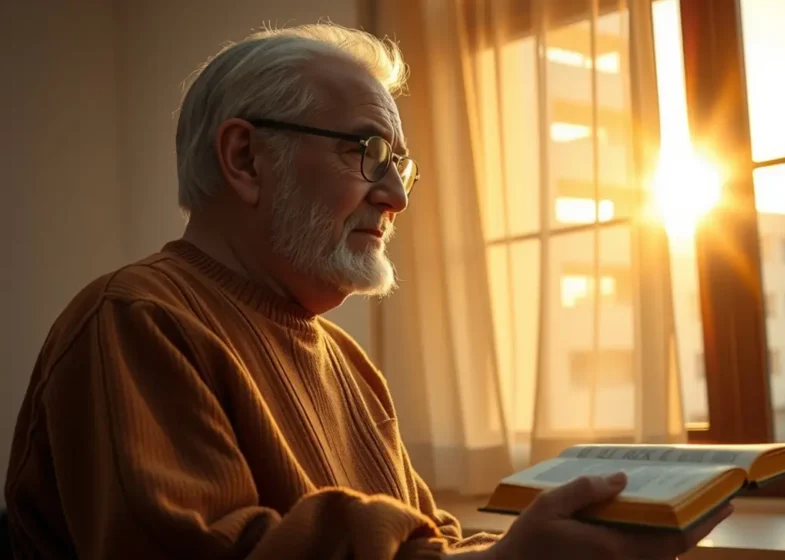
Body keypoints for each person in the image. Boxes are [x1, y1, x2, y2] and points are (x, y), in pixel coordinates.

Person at [3, 23, 730, 559]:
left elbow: (426, 549)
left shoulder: (348, 364)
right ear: (245, 156)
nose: (395, 197)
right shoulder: (135, 320)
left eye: (401, 167)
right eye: (368, 152)